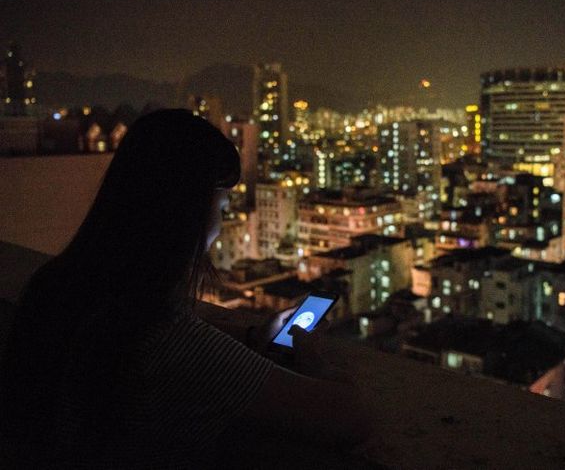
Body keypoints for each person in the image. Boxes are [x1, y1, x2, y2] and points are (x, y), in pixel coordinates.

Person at [0, 109, 370, 468]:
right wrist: (313, 355)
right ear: (190, 211)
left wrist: (253, 334)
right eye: (221, 204)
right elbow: (351, 419)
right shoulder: (165, 345)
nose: (222, 223)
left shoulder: (56, 286)